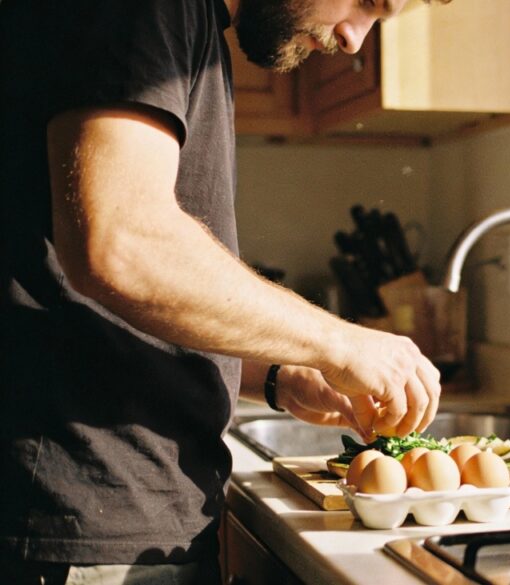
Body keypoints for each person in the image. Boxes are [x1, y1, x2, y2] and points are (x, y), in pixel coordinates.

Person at [0, 0, 445, 582]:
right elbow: (121, 243)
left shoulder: (194, 27)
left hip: (110, 516)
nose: (354, 40)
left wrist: (277, 374)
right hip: (75, 521)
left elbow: (112, 296)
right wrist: (340, 343)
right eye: (368, 2)